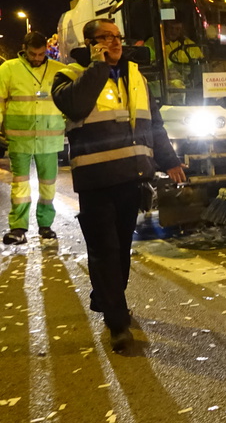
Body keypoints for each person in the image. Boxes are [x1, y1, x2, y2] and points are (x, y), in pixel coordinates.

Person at [52, 19, 186, 352]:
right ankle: (117, 323)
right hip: (96, 181)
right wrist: (98, 66)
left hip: (131, 178)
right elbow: (76, 105)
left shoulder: (136, 76)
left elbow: (154, 124)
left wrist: (169, 160)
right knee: (105, 251)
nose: (114, 42)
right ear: (90, 43)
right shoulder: (68, 76)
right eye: (106, 37)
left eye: (117, 36)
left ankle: (106, 297)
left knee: (121, 250)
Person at [0, 31, 67, 244]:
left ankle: (46, 225)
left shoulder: (58, 70)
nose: (37, 58)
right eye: (32, 54)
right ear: (24, 49)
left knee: (48, 184)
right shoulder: (8, 69)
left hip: (50, 139)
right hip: (20, 138)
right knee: (20, 185)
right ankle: (18, 228)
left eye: (41, 54)